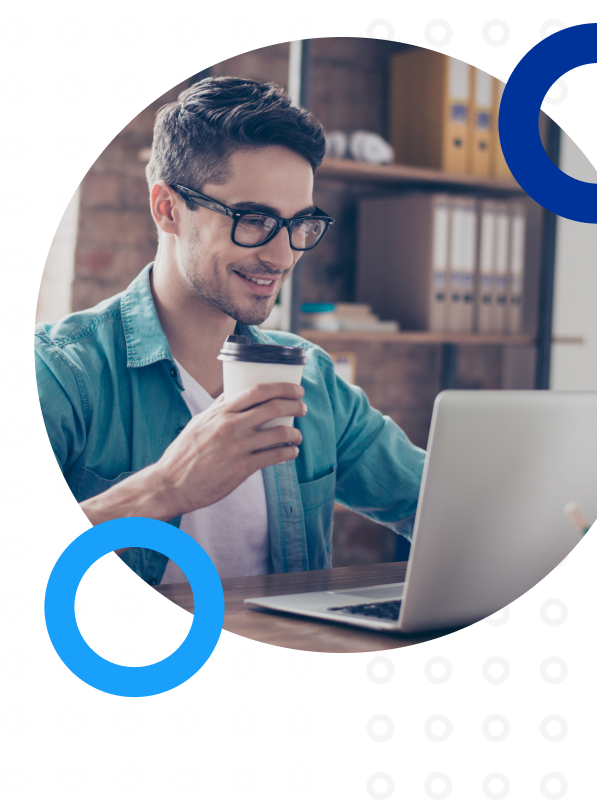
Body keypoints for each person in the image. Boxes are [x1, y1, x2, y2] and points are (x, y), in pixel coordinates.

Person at [35, 76, 425, 587]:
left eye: (299, 224)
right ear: (167, 208)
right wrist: (167, 487)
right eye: (253, 219)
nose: (283, 256)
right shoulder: (61, 373)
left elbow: (437, 505)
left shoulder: (311, 378)